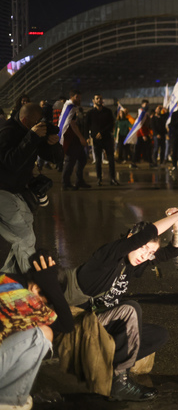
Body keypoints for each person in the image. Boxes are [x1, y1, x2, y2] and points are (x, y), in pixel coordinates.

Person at [62, 203, 178, 401]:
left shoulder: (132, 264)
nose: (145, 255)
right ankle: (119, 381)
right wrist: (176, 216)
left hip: (101, 326)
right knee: (130, 309)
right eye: (143, 248)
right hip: (78, 324)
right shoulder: (107, 257)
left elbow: (172, 251)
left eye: (150, 252)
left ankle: (102, 366)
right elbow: (145, 234)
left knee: (158, 335)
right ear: (131, 240)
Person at [0, 254, 73, 409]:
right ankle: (8, 402)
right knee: (42, 334)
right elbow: (67, 325)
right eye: (46, 301)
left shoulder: (7, 280)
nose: (45, 306)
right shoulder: (21, 297)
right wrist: (53, 286)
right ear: (35, 288)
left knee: (27, 331)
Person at [0, 104, 63, 274]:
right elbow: (10, 163)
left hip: (17, 192)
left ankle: (8, 282)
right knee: (24, 238)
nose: (40, 125)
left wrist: (53, 144)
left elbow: (56, 158)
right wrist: (32, 137)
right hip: (2, 191)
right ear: (26, 120)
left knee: (25, 237)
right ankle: (33, 281)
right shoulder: (7, 132)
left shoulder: (32, 132)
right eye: (37, 121)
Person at [86, 94, 119, 186]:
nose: (99, 100)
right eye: (97, 99)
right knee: (98, 160)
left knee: (111, 160)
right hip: (96, 140)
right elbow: (87, 126)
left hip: (107, 138)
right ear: (93, 100)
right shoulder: (90, 113)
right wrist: (91, 136)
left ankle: (112, 178)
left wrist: (102, 133)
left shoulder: (108, 112)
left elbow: (111, 124)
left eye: (100, 98)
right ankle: (99, 179)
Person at [61, 90, 90, 190]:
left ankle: (79, 181)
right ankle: (65, 184)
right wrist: (81, 138)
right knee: (70, 161)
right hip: (71, 138)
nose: (79, 99)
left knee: (82, 159)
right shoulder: (70, 107)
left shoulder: (69, 106)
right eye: (77, 97)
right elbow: (72, 125)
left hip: (73, 138)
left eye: (80, 97)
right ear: (72, 97)